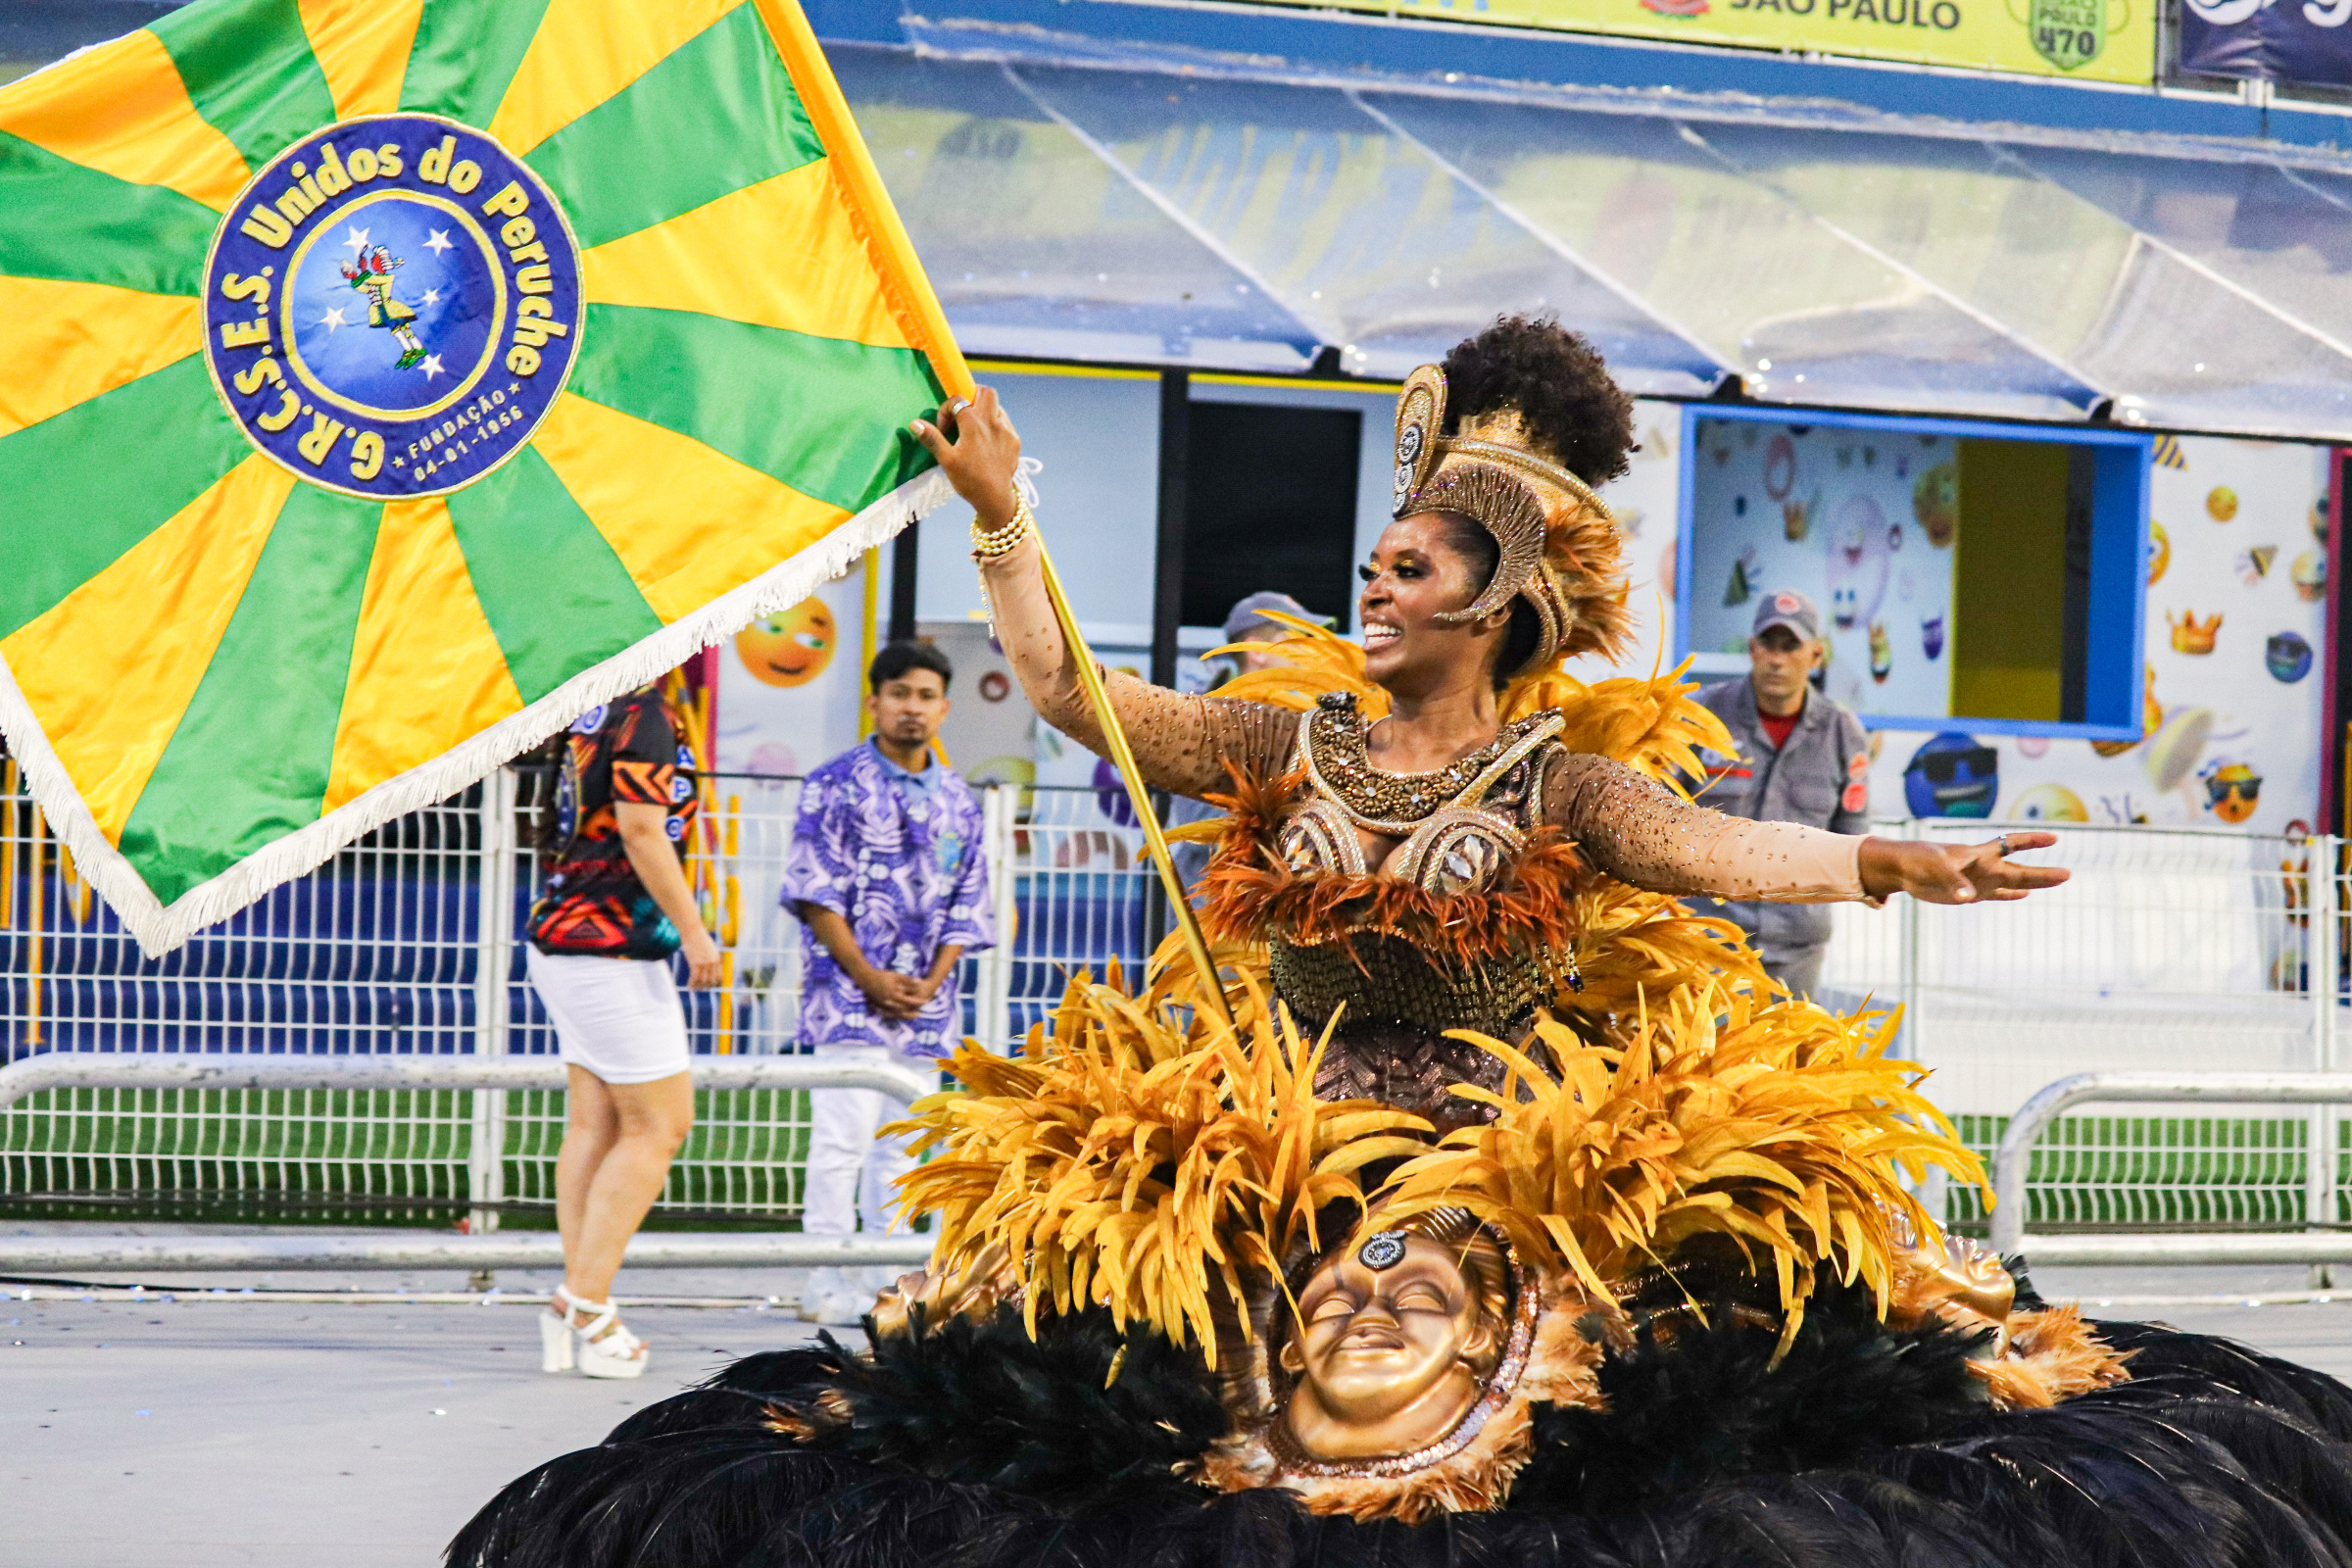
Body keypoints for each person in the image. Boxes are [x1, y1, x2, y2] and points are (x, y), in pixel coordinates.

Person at [455, 322, 2352, 1568]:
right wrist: (1006, 515)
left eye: (1411, 566)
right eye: (1377, 561)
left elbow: (1715, 844)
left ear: (1500, 602)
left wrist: (1894, 859)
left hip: (1503, 1160)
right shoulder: (1285, 741)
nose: (1374, 579)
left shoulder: (1562, 781)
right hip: (1266, 1133)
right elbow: (1072, 693)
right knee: (1028, 1383)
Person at [779, 641, 994, 1327]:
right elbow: (815, 892)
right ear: (874, 701)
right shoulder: (832, 785)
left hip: (926, 1007)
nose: (912, 708)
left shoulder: (959, 798)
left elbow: (970, 902)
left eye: (926, 696)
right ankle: (824, 1279)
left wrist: (931, 982)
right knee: (839, 1140)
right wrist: (869, 977)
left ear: (944, 708)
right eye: (899, 693)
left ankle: (887, 1283)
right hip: (846, 999)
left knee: (904, 1149)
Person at [522, 682, 719, 1381]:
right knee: (660, 1127)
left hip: (572, 938)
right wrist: (695, 932)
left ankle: (578, 1303)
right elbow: (641, 830)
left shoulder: (597, 708)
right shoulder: (645, 716)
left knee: (596, 1125)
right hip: (607, 947)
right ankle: (586, 1304)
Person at [1693, 589, 1872, 1000]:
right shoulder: (1701, 716)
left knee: (1789, 1045)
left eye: (1790, 646)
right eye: (1768, 644)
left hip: (1797, 949)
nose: (1777, 659)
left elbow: (1853, 838)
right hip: (1707, 940)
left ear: (1816, 655)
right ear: (1752, 649)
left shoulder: (1842, 732)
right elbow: (1658, 809)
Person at [1169, 590, 1326, 890]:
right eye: (1296, 639)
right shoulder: (1207, 719)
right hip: (1215, 902)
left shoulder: (1302, 720)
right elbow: (1195, 825)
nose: (1311, 652)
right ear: (1257, 650)